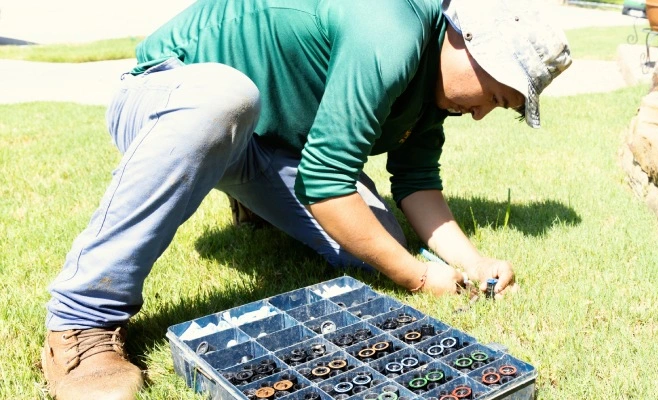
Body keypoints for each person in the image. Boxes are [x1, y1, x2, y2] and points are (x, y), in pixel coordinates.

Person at [40, 0, 571, 398]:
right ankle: (79, 319)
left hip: (261, 138)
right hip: (167, 93)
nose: (481, 114)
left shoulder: (435, 91)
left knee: (375, 240)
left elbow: (417, 183)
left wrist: (472, 262)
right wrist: (416, 276)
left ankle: (238, 183)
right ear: (470, 42)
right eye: (495, 98)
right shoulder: (390, 31)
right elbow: (326, 183)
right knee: (227, 100)